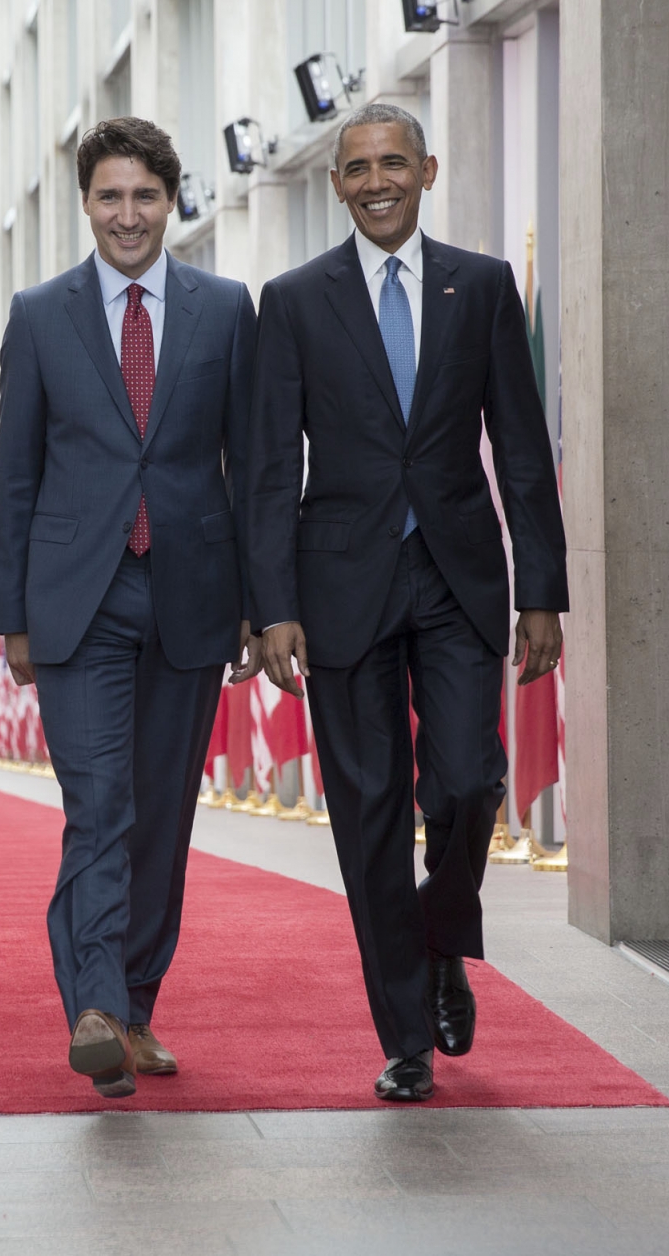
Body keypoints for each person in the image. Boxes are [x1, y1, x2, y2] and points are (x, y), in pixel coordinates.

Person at [248, 103, 566, 1103]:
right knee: (369, 813)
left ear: (426, 170)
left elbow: (520, 446)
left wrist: (542, 591)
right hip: (337, 586)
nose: (375, 179)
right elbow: (265, 467)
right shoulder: (293, 301)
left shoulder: (478, 287)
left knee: (468, 784)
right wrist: (271, 606)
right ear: (334, 185)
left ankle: (439, 939)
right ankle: (403, 1035)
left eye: (392, 162)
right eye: (356, 168)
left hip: (456, 578)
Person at [0, 117, 260, 1097]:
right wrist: (8, 613)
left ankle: (134, 1007)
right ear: (85, 204)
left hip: (189, 593)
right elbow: (14, 469)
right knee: (97, 806)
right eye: (109, 195)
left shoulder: (225, 311)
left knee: (161, 818)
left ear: (171, 200)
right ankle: (94, 1007)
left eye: (144, 195)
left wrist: (257, 605)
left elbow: (254, 469)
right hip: (76, 601)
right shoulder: (38, 313)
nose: (127, 214)